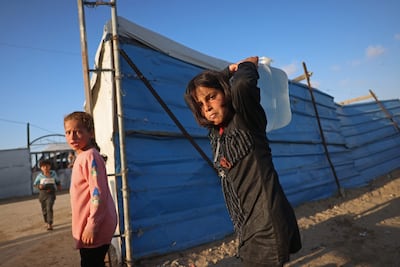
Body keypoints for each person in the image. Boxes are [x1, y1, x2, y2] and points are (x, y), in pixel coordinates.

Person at [184, 56, 302, 266]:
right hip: (245, 222)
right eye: (201, 105)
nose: (207, 108)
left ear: (225, 94)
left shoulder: (246, 119)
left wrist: (247, 64)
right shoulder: (216, 133)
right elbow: (202, 92)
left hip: (267, 221)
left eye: (211, 97)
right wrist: (225, 72)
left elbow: (242, 84)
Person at [64, 111, 117, 267]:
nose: (72, 137)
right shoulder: (82, 156)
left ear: (91, 133)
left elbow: (98, 192)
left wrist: (92, 225)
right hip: (92, 223)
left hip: (95, 226)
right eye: (68, 132)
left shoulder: (90, 157)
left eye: (78, 131)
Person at [33, 159, 61, 231]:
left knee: (49, 208)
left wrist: (59, 186)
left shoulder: (53, 174)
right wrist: (39, 186)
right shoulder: (39, 176)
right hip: (42, 194)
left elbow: (57, 181)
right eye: (43, 166)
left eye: (47, 166)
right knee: (44, 209)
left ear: (50, 166)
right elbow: (35, 184)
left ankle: (49, 223)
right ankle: (46, 221)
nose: (45, 168)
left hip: (51, 193)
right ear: (41, 168)